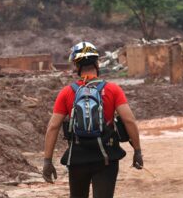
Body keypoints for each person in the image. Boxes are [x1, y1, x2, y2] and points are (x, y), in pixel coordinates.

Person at [42, 42, 143, 198]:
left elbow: (53, 127)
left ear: (76, 65)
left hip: (77, 157)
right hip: (106, 157)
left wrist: (47, 161)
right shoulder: (113, 90)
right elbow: (129, 121)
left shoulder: (67, 92)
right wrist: (137, 151)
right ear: (97, 63)